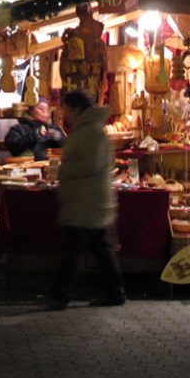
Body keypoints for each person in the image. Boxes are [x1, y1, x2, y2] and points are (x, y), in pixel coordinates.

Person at [50, 89, 125, 310]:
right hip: (90, 200)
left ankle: (60, 295)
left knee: (72, 253)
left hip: (87, 201)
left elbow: (92, 165)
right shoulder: (89, 130)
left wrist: (65, 171)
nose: (64, 113)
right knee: (101, 250)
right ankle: (115, 292)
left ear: (76, 109)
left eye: (66, 108)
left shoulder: (91, 132)